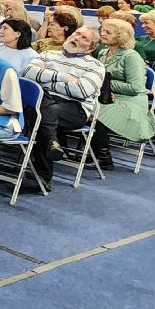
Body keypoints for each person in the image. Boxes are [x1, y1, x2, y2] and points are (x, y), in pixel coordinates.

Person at [25, 25, 105, 191]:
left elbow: (82, 90)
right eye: (77, 34)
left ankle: (43, 174)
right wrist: (65, 77)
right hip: (44, 100)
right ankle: (52, 143)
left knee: (42, 113)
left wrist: (46, 81)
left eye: (84, 38)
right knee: (42, 110)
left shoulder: (95, 66)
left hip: (74, 108)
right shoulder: (48, 54)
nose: (77, 38)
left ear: (91, 47)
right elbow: (28, 73)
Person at [93, 17, 153, 169]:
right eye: (103, 30)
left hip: (131, 101)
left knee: (96, 112)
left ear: (121, 36)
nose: (103, 33)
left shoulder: (131, 56)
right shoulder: (103, 52)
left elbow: (136, 87)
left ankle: (103, 157)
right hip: (107, 96)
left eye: (108, 32)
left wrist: (107, 85)